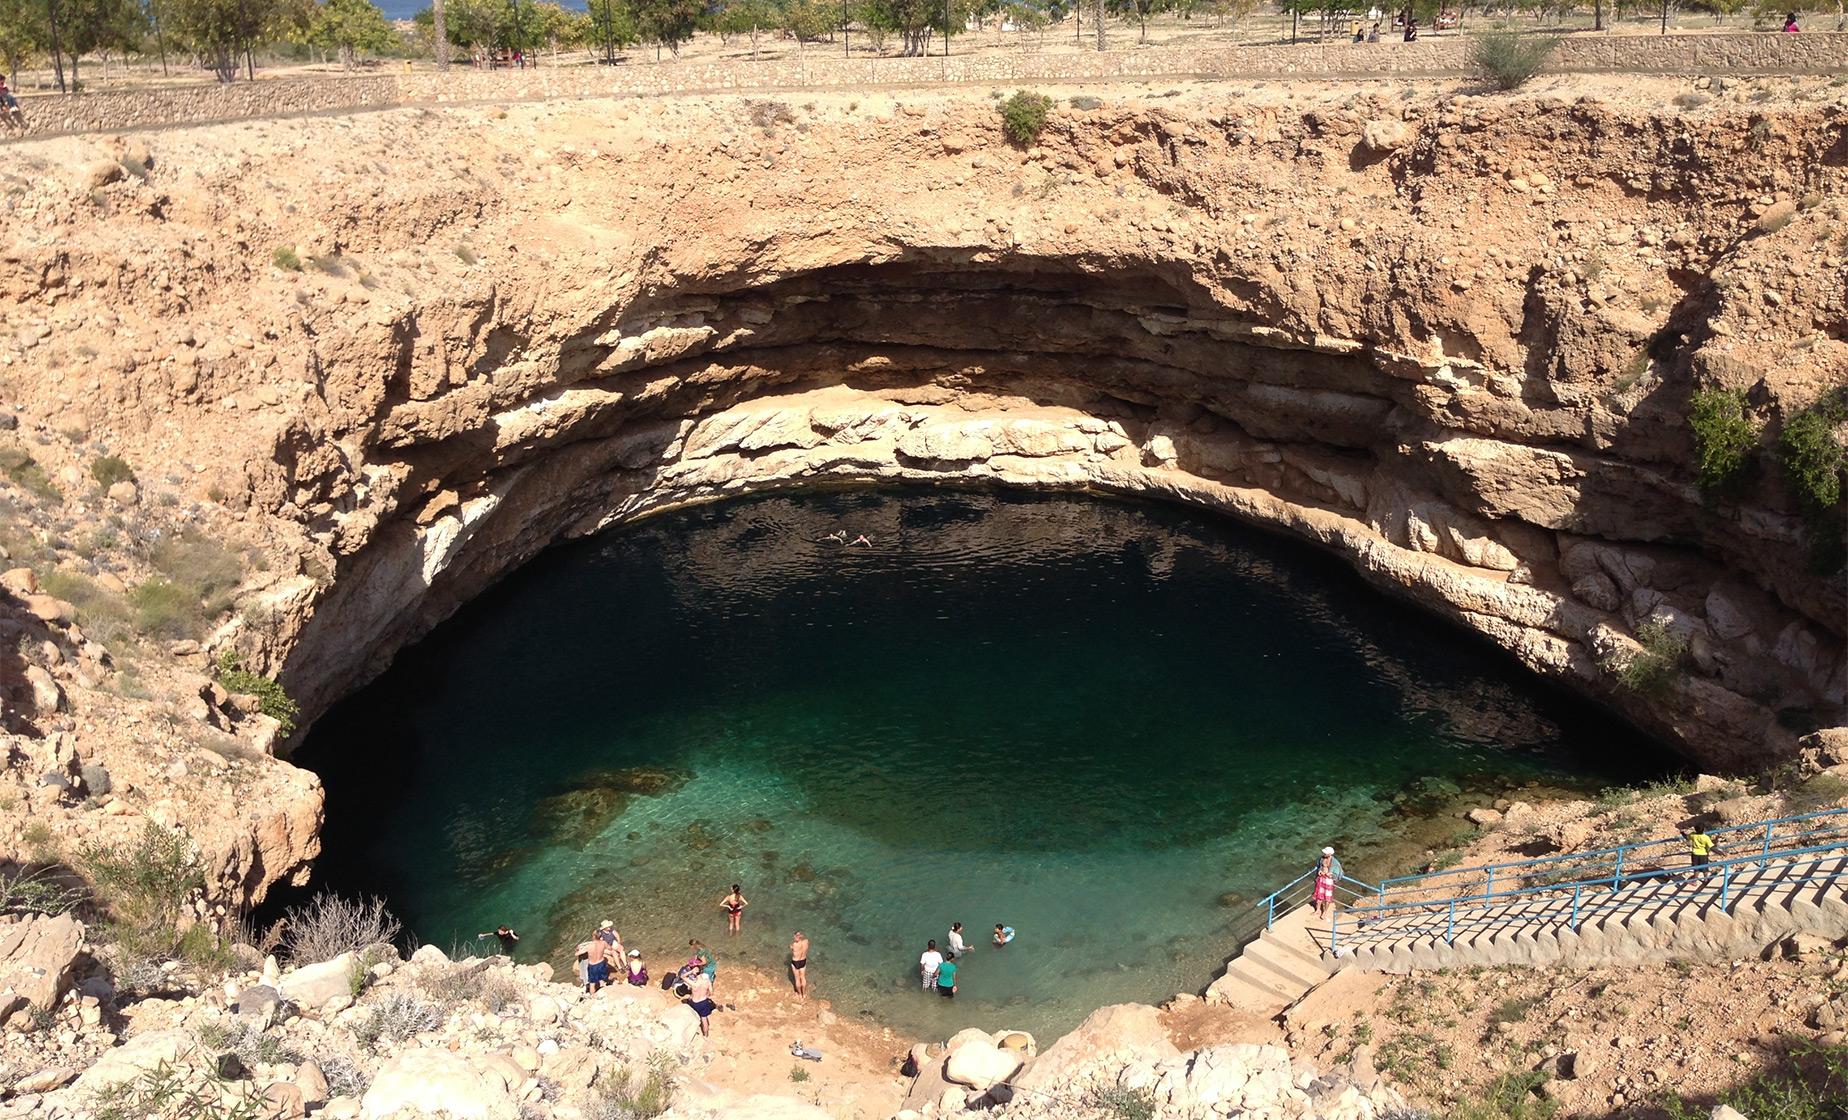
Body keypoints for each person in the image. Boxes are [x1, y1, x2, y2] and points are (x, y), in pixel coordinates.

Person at [682, 966, 717, 1037]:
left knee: (692, 1016)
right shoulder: (707, 981)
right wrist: (706, 995)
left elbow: (682, 976)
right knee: (704, 1019)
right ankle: (706, 1035)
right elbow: (711, 992)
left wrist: (691, 972)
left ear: (695, 973)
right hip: (704, 1002)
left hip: (694, 1003)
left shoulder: (694, 984)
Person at [1313, 846, 1342, 921]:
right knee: (1319, 895)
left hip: (1329, 881)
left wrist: (1331, 874)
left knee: (1327, 898)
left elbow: (1338, 873)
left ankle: (1325, 912)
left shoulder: (1335, 862)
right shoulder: (1321, 859)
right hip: (1321, 879)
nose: (1323, 853)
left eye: (1325, 853)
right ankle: (1318, 910)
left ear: (1329, 854)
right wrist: (1319, 871)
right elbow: (1319, 866)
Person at [789, 931, 810, 998]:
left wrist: (792, 946)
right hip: (803, 961)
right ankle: (804, 994)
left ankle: (800, 994)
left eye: (794, 936)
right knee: (803, 977)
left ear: (796, 937)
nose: (793, 938)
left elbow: (792, 949)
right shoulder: (806, 941)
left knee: (797, 979)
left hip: (796, 962)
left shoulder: (794, 945)